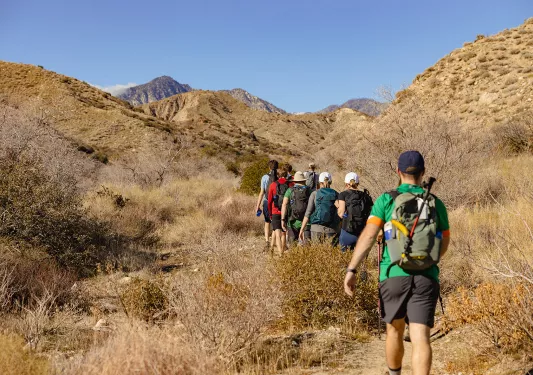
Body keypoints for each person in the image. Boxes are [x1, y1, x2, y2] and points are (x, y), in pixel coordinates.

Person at [343, 151, 450, 375]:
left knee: (394, 331)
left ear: (398, 172)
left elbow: (370, 235)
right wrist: (427, 259)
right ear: (423, 173)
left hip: (392, 274)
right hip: (426, 276)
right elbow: (444, 241)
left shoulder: (386, 199)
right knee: (421, 337)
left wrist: (352, 268)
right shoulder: (435, 202)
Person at [299, 172, 340, 244]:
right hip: (332, 230)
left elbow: (308, 213)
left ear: (319, 182)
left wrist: (302, 229)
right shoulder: (336, 194)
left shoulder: (315, 194)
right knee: (330, 254)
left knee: (316, 253)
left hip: (316, 228)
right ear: (331, 182)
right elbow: (340, 212)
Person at [337, 172, 373, 252]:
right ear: (358, 183)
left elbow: (341, 214)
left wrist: (337, 207)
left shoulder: (343, 195)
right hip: (362, 233)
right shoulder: (366, 196)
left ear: (346, 184)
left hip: (347, 231)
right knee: (361, 261)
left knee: (343, 261)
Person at [281, 171, 311, 245]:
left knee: (292, 246)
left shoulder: (289, 190)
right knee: (307, 246)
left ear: (294, 181)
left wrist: (283, 219)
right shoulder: (309, 190)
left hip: (292, 221)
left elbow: (284, 205)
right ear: (304, 181)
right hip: (307, 222)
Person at [268, 163, 292, 254]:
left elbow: (269, 201)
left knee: (277, 234)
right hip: (285, 211)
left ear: (278, 175)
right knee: (284, 233)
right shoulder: (289, 185)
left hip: (275, 211)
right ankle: (282, 250)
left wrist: (270, 213)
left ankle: (280, 253)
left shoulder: (273, 185)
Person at [255, 160, 278, 249]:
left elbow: (262, 192)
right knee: (275, 223)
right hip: (276, 203)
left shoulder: (264, 177)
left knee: (267, 221)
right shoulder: (279, 177)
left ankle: (267, 241)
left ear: (269, 167)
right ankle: (274, 241)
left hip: (266, 202)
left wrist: (257, 205)